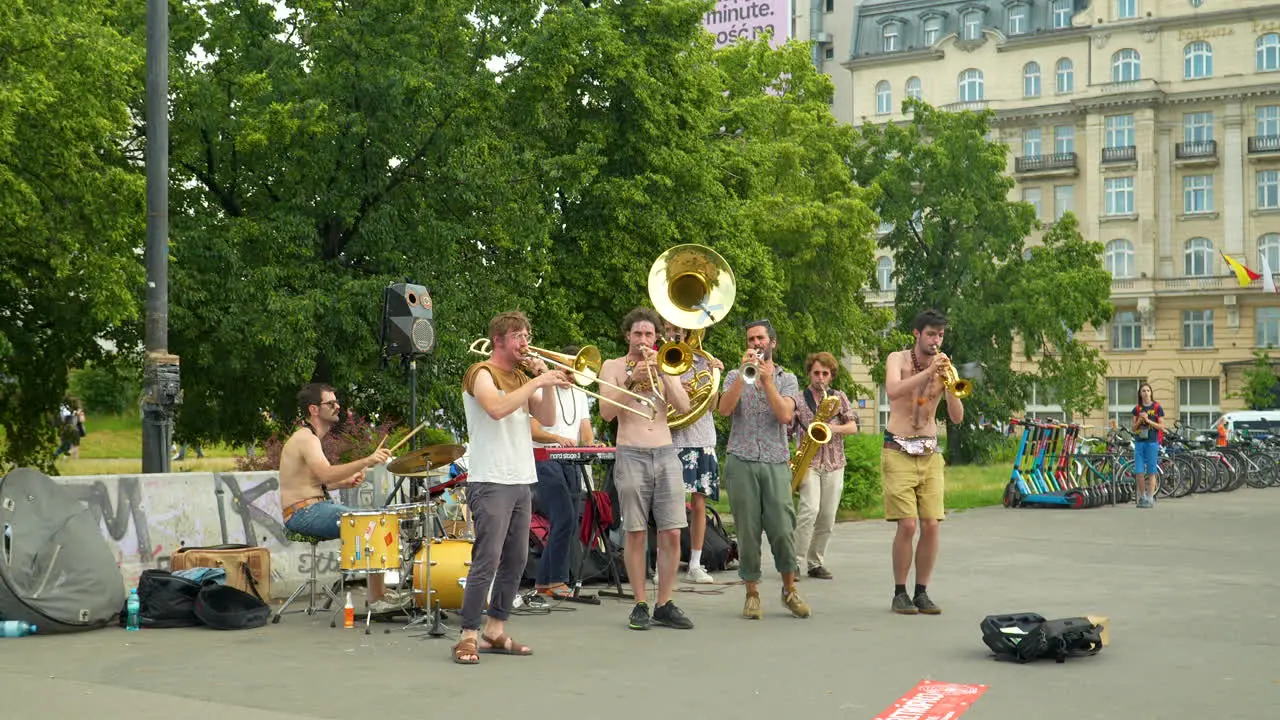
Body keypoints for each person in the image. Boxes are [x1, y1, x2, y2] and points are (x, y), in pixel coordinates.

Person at [452, 311, 570, 664]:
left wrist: (544, 381)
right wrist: (535, 382)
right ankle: (467, 635)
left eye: (527, 334)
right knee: (486, 559)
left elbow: (547, 419)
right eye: (518, 335)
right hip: (491, 478)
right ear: (498, 340)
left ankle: (496, 629)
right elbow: (496, 409)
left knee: (516, 559)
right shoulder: (481, 373)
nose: (525, 341)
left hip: (520, 477)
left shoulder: (521, 376)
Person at [597, 307, 695, 630]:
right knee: (636, 532)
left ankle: (664, 602)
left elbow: (684, 407)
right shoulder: (612, 367)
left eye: (649, 335)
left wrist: (666, 373)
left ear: (657, 338)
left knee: (671, 531)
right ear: (628, 335)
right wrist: (630, 378)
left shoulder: (666, 362)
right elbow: (607, 412)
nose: (643, 340)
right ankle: (640, 601)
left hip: (665, 452)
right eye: (637, 334)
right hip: (631, 452)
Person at [717, 319, 811, 620]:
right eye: (750, 339)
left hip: (775, 460)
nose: (755, 344)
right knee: (747, 531)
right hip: (741, 459)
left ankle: (789, 589)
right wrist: (742, 380)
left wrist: (767, 380)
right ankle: (752, 593)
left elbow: (785, 415)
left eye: (760, 338)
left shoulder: (787, 378)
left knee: (783, 529)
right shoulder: (735, 374)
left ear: (773, 342)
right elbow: (724, 409)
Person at [882, 309, 964, 616]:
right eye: (931, 334)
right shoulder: (897, 359)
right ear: (917, 334)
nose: (936, 340)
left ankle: (922, 592)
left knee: (931, 525)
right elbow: (892, 391)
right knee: (908, 524)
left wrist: (951, 386)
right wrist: (928, 373)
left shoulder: (943, 368)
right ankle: (899, 592)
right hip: (898, 449)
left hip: (930, 452)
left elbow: (956, 418)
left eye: (940, 335)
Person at [279, 383, 392, 604]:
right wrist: (368, 460)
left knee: (371, 521)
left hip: (310, 508)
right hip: (303, 513)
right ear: (314, 409)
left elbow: (317, 482)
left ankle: (378, 595)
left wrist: (345, 482)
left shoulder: (309, 438)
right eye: (330, 403)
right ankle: (377, 599)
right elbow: (327, 474)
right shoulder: (306, 438)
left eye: (336, 402)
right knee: (370, 522)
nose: (337, 406)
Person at [530, 345, 599, 599]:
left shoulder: (580, 394)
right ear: (556, 366)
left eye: (574, 372)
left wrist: (592, 444)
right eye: (566, 370)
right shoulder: (540, 388)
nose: (570, 377)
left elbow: (585, 429)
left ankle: (544, 582)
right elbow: (534, 430)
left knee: (569, 523)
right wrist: (557, 438)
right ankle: (556, 580)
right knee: (565, 518)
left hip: (571, 460)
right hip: (546, 457)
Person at [660, 321, 724, 584]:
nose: (675, 333)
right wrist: (674, 391)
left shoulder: (701, 361)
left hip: (701, 436)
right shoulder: (657, 359)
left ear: (688, 331)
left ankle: (695, 564)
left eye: (680, 329)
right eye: (669, 328)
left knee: (699, 503)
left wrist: (715, 377)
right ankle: (661, 564)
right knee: (667, 504)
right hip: (671, 436)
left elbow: (712, 406)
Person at [789, 352, 859, 580]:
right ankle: (795, 562)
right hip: (809, 461)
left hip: (835, 462)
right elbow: (788, 428)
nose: (820, 377)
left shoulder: (838, 397)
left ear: (831, 376)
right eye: (816, 372)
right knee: (809, 511)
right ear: (809, 373)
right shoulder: (798, 399)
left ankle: (815, 562)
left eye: (825, 373)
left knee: (828, 516)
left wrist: (830, 428)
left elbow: (852, 427)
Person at [1130, 382, 1164, 508]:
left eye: (1148, 391)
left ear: (1151, 392)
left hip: (1152, 442)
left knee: (1151, 471)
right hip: (1139, 442)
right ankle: (1142, 496)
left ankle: (1150, 497)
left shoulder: (1157, 407)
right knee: (1139, 471)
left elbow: (1161, 426)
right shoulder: (1137, 409)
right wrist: (1140, 420)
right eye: (1143, 391)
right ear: (1140, 393)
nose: (1146, 393)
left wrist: (1148, 420)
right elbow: (1133, 428)